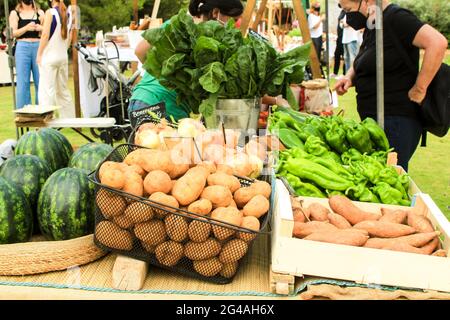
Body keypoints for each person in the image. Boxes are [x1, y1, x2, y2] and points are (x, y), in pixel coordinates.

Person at [334, 0, 447, 171]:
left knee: (388, 178)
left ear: (367, 1)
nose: (348, 16)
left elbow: (437, 43)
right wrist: (349, 77)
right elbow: (365, 56)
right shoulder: (374, 22)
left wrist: (419, 88)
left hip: (396, 122)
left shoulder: (396, 18)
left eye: (348, 9)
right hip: (378, 122)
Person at [132, 0, 290, 121]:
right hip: (165, 109)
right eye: (233, 19)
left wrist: (164, 70)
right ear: (216, 12)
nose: (234, 26)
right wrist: (173, 78)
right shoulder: (211, 45)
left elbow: (140, 51)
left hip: (142, 99)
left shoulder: (179, 24)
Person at [37, 0, 74, 118]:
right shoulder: (68, 13)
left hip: (50, 57)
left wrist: (39, 54)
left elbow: (45, 35)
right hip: (62, 56)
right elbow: (70, 35)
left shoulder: (50, 12)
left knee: (47, 91)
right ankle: (70, 119)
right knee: (63, 91)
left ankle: (46, 119)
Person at [9, 0, 45, 109]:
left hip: (38, 46)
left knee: (41, 81)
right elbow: (12, 33)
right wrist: (27, 28)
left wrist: (41, 28)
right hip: (22, 47)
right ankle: (25, 113)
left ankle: (42, 113)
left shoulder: (40, 13)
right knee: (22, 83)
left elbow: (47, 31)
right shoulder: (15, 13)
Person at [332, 9, 346, 77]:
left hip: (344, 37)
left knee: (344, 55)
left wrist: (342, 22)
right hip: (339, 37)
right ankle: (335, 72)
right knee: (337, 54)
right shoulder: (342, 11)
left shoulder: (347, 12)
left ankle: (344, 73)